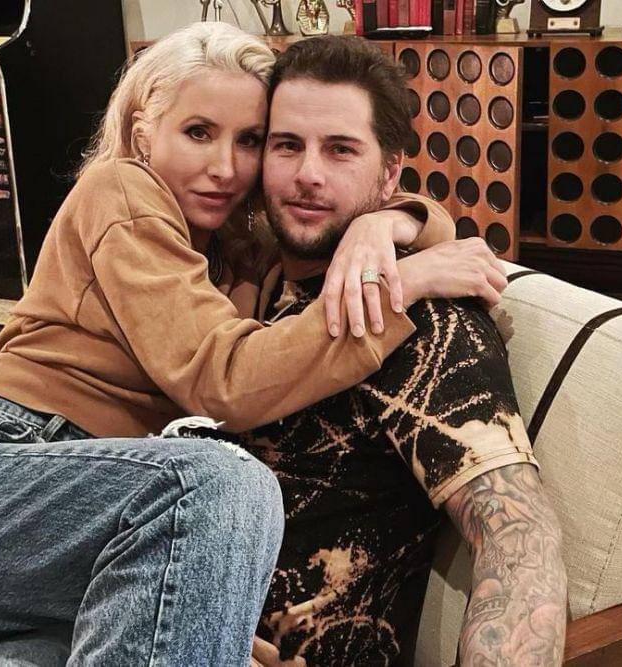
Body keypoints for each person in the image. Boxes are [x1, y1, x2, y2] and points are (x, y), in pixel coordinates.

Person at [0, 23, 505, 667]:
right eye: (198, 132)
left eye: (249, 140)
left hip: (42, 550)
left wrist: (387, 224)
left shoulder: (239, 247)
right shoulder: (120, 191)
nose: (224, 167)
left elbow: (401, 217)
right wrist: (401, 282)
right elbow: (223, 380)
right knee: (224, 486)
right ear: (143, 132)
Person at [232, 36, 568, 666]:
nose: (308, 173)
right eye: (287, 145)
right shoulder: (250, 274)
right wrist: (400, 218)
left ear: (389, 174)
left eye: (341, 149)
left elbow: (519, 540)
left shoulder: (422, 322)